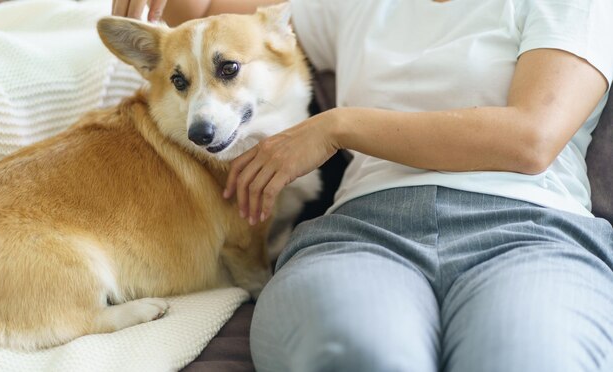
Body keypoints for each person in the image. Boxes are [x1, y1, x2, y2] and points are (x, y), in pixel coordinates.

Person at [114, 1, 613, 371]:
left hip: (530, 233)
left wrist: (337, 126)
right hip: (363, 235)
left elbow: (530, 139)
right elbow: (207, 20)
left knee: (528, 357)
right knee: (356, 352)